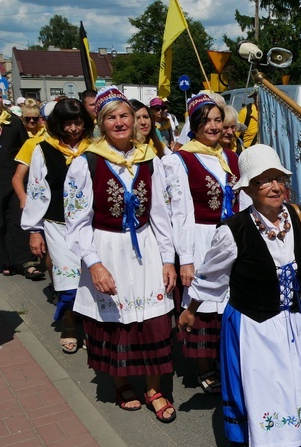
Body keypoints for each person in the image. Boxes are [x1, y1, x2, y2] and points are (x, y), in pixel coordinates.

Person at [178, 144, 301, 447]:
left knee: (292, 388)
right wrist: (190, 309)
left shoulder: (300, 217)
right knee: (269, 396)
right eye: (264, 181)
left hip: (291, 323)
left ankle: (281, 442)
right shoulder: (233, 231)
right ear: (248, 189)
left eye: (279, 178)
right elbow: (209, 278)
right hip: (253, 327)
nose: (275, 186)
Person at [64, 86, 177, 422]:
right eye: (110, 117)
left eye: (124, 115)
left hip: (146, 249)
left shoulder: (149, 159)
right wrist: (94, 265)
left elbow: (161, 214)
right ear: (100, 122)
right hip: (107, 248)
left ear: (134, 118)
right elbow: (76, 220)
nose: (119, 122)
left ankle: (154, 388)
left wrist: (169, 258)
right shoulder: (86, 163)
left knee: (154, 319)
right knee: (116, 321)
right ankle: (123, 382)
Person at [164, 92, 244, 395]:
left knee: (229, 302)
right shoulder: (180, 160)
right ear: (194, 124)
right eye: (206, 121)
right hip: (200, 237)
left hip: (230, 237)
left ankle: (227, 359)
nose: (212, 126)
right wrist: (185, 258)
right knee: (204, 301)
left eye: (216, 120)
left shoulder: (229, 157)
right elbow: (180, 211)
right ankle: (203, 366)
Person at [21, 98, 94, 353]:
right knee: (67, 283)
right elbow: (37, 191)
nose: (73, 129)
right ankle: (69, 324)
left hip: (91, 226)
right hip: (57, 225)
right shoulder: (43, 149)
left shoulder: (95, 148)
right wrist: (34, 231)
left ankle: (95, 328)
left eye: (78, 122)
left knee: (94, 279)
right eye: (68, 124)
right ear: (57, 125)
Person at [0, 83, 36, 278]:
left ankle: (24, 261)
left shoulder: (13, 121)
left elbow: (25, 149)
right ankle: (5, 261)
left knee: (16, 219)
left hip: (14, 179)